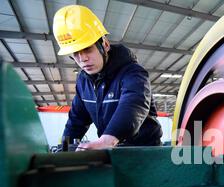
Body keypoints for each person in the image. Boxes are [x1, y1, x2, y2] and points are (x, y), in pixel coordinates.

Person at [53, 5, 162, 150]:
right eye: (75, 53)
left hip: (145, 152)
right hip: (114, 151)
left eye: (87, 49)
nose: (82, 59)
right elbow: (77, 120)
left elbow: (134, 103)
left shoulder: (133, 73)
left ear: (104, 44)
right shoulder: (83, 81)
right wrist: (64, 149)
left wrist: (106, 141)